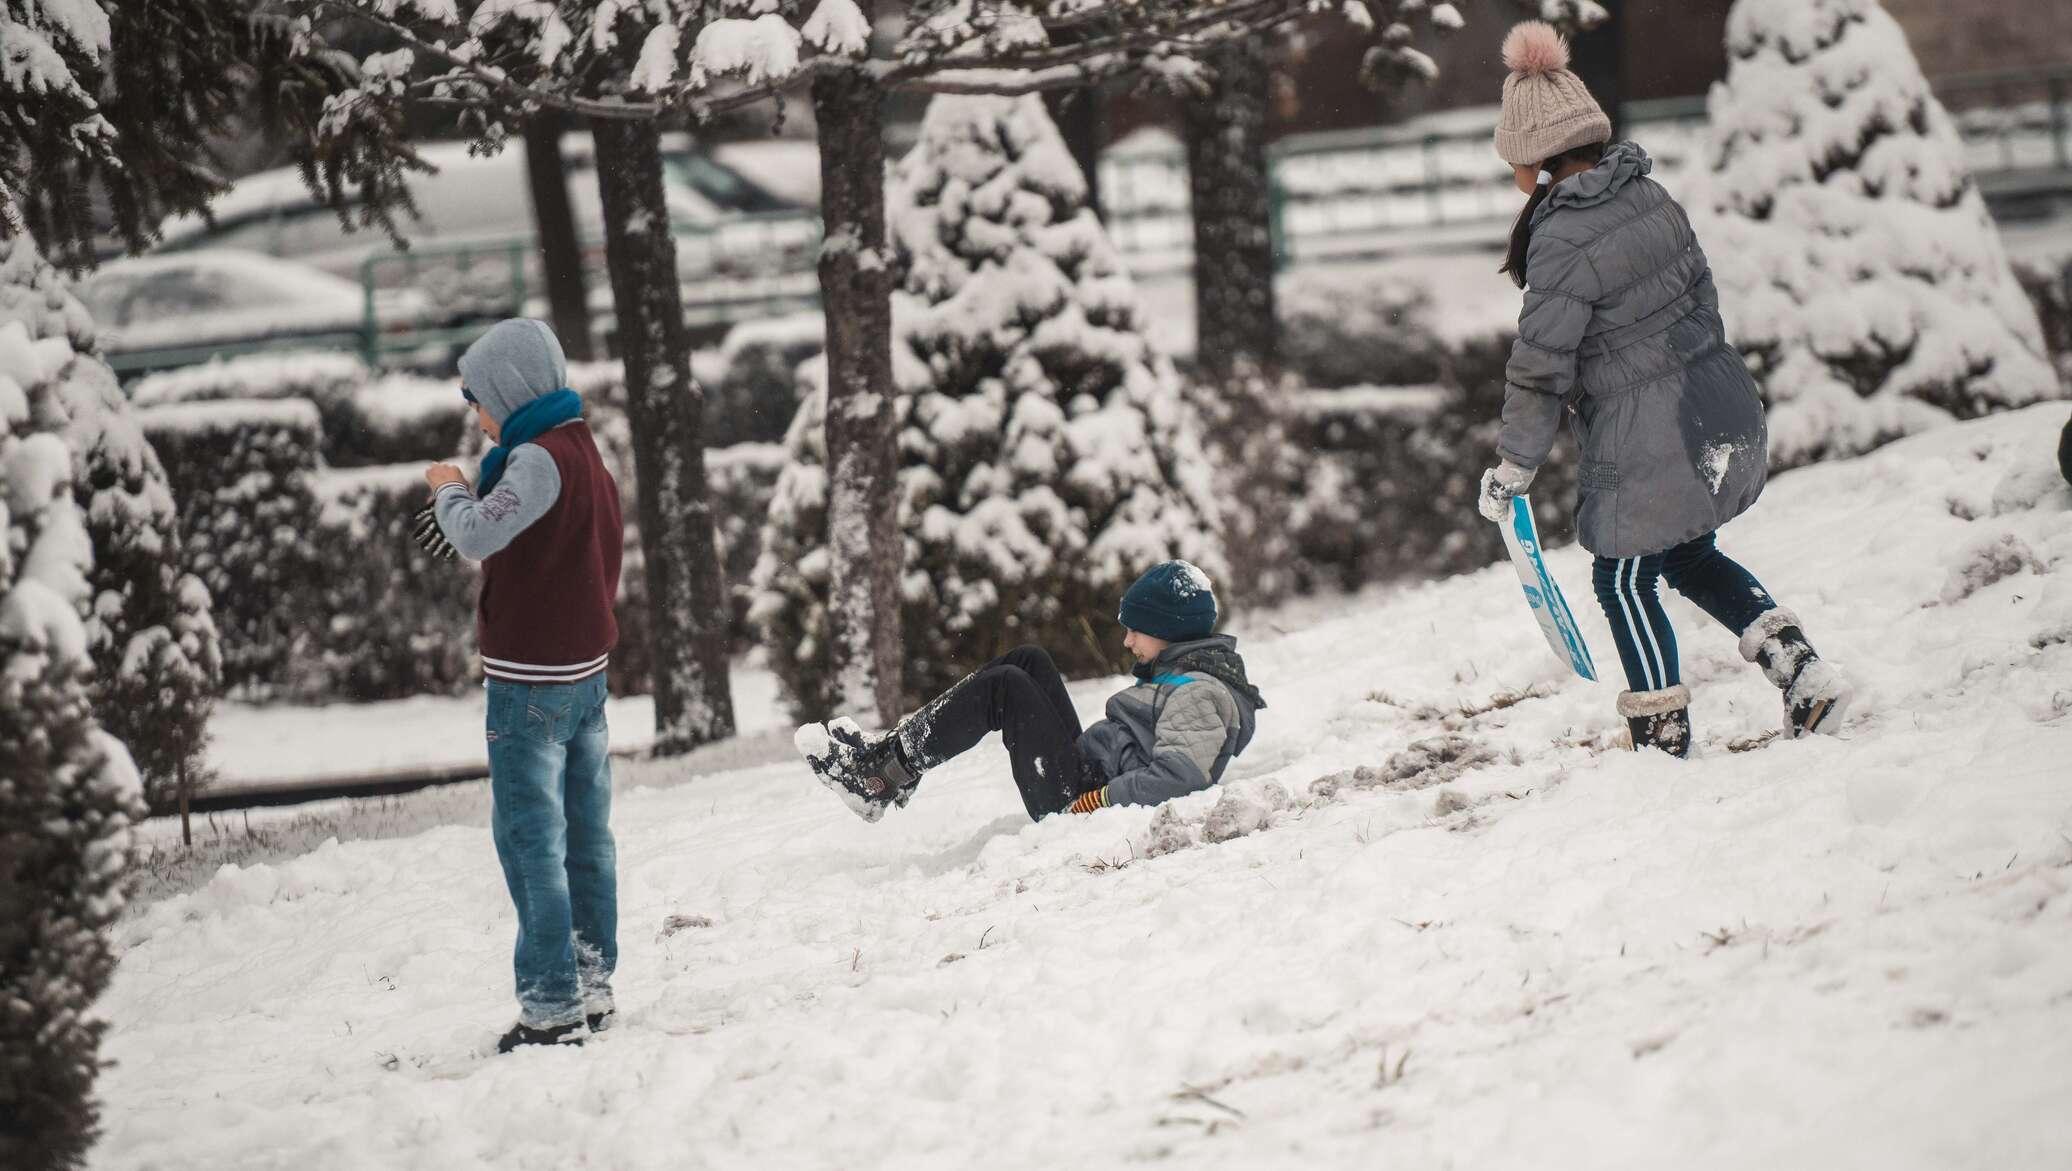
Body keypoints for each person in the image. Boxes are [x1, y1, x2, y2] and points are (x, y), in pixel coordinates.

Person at [1473, 22, 1851, 757]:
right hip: (1715, 402)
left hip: (1650, 431)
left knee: (1620, 579)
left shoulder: (1560, 234)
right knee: (1685, 554)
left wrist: (1514, 466)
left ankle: (1660, 736)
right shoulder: (1648, 193)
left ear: (1532, 155)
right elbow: (1702, 298)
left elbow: (1540, 364)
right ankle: (1803, 674)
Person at [421, 319, 625, 1053]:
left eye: (477, 398)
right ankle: (590, 982)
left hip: (533, 684)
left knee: (532, 841)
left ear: (507, 390)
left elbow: (476, 534)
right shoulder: (576, 445)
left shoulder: (537, 459)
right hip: (583, 675)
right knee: (584, 838)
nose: (476, 416)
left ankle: (549, 1005)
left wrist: (448, 487)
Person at [796, 561, 1266, 822]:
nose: (1127, 642)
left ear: (1171, 630)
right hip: (1087, 773)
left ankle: (881, 778)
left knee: (1006, 688)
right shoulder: (1186, 676)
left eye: (1137, 631)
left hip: (1083, 797)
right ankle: (890, 760)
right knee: (1028, 660)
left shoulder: (1200, 693)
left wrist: (1097, 801)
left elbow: (1181, 778)